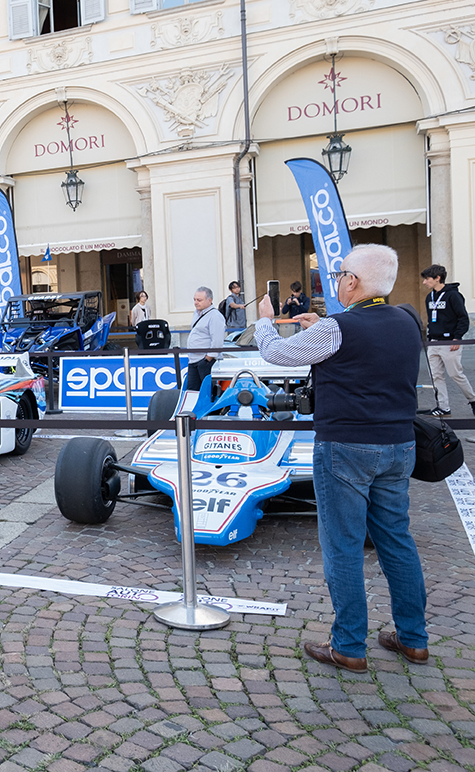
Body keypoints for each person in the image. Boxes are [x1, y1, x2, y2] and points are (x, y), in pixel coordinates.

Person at [256, 244, 427, 673]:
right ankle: (414, 639)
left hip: (347, 447)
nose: (337, 282)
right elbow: (369, 348)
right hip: (398, 445)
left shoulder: (337, 328)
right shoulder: (408, 320)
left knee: (343, 546)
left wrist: (263, 321)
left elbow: (276, 353)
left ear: (352, 281)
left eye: (339, 276)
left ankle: (349, 644)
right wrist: (323, 325)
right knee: (397, 542)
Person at [421, 264, 474, 417]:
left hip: (450, 342)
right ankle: (443, 407)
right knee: (436, 376)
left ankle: (473, 400)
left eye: (427, 279)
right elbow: (432, 319)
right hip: (434, 343)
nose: (424, 282)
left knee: (456, 374)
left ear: (437, 278)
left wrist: (457, 338)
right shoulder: (429, 297)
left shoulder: (453, 296)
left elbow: (463, 318)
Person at [184, 287, 225, 394]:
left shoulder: (215, 316)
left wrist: (207, 359)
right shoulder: (196, 313)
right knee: (192, 392)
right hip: (194, 360)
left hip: (206, 361)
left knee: (208, 393)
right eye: (194, 299)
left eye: (199, 300)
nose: (196, 303)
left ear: (209, 300)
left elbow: (217, 341)